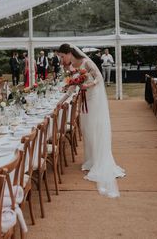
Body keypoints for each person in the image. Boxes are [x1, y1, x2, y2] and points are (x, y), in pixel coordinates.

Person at [57, 44, 125, 198]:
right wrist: (61, 101)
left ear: (69, 53)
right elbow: (72, 88)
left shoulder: (85, 62)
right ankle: (92, 160)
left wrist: (88, 84)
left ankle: (100, 161)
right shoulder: (71, 67)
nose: (61, 59)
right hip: (84, 100)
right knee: (87, 129)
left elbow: (99, 78)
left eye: (62, 56)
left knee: (95, 128)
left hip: (94, 99)